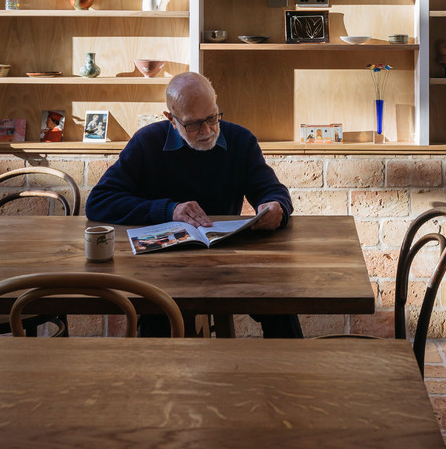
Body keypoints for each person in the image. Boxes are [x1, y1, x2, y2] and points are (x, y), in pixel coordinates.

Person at [86, 71, 301, 337]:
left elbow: (272, 191)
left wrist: (275, 206)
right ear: (171, 119)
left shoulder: (240, 141)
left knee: (280, 302)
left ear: (216, 104)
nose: (207, 131)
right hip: (162, 267)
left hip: (225, 262)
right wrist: (169, 210)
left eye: (212, 117)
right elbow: (99, 201)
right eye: (194, 124)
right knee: (158, 320)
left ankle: (289, 376)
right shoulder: (147, 142)